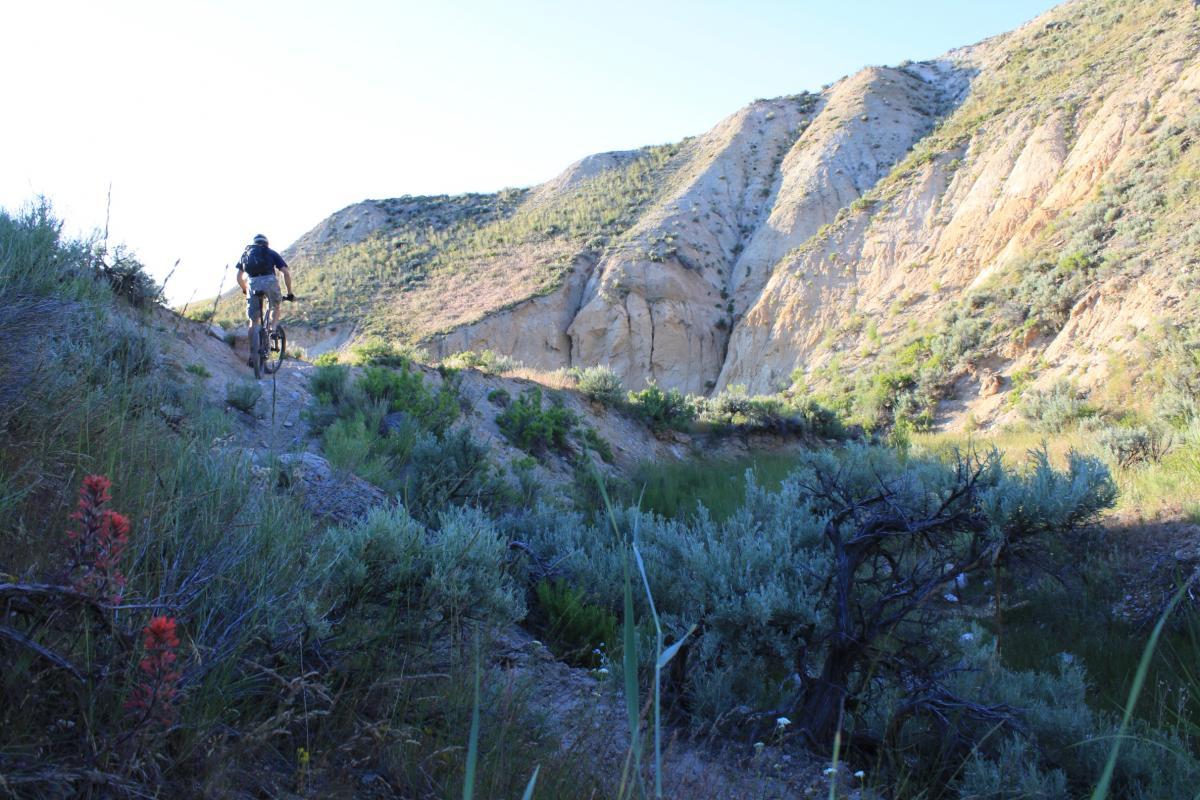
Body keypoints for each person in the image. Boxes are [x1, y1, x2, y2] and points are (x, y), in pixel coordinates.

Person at [236, 234, 295, 368]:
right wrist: (289, 292)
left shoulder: (246, 254)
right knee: (275, 305)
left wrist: (245, 289)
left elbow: (239, 276)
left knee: (253, 321)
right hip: (270, 281)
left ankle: (253, 355)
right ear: (266, 244)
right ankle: (273, 329)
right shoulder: (271, 253)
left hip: (252, 283)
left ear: (254, 244)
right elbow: (285, 272)